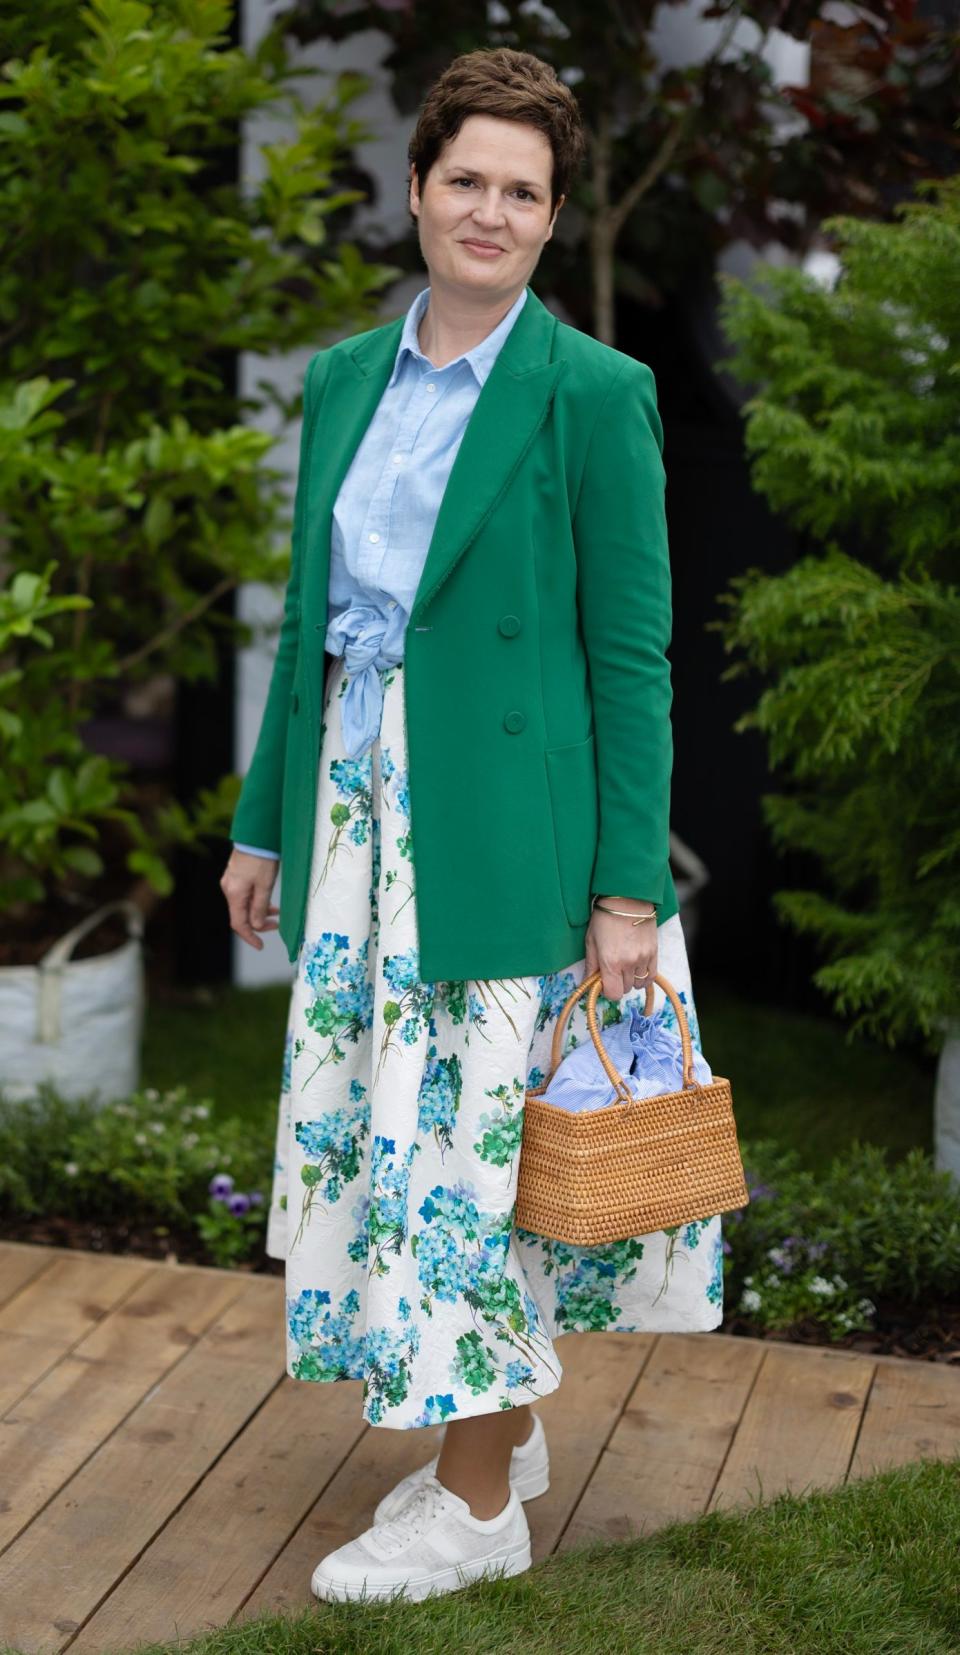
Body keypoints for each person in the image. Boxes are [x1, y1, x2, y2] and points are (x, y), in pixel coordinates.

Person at [221, 45, 723, 1605]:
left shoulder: (596, 394)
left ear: (553, 215)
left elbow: (633, 658)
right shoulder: (350, 377)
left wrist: (628, 891)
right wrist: (259, 824)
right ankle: (483, 1432)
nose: (489, 211)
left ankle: (480, 1507)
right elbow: (314, 621)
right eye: (466, 180)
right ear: (421, 190)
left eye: (522, 190)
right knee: (408, 1141)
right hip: (363, 819)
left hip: (511, 836)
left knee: (469, 1164)